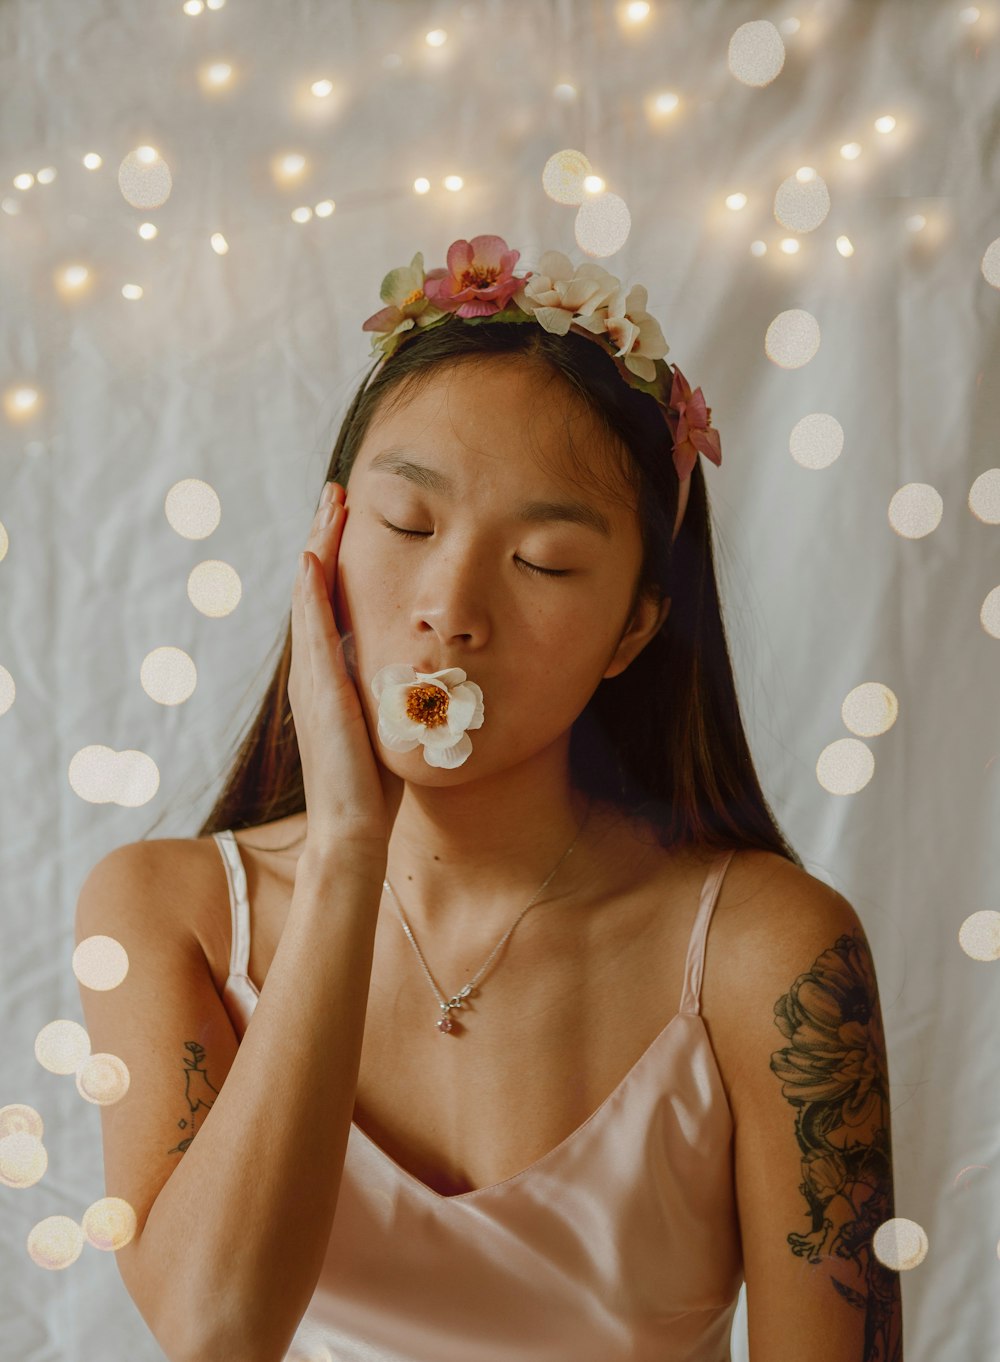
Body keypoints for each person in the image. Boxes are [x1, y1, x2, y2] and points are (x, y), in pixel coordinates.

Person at [77, 236, 902, 1361]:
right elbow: (215, 1332)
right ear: (326, 538)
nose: (449, 608)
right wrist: (347, 856)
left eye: (546, 562)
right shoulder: (164, 910)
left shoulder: (773, 953)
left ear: (633, 630)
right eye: (408, 527)